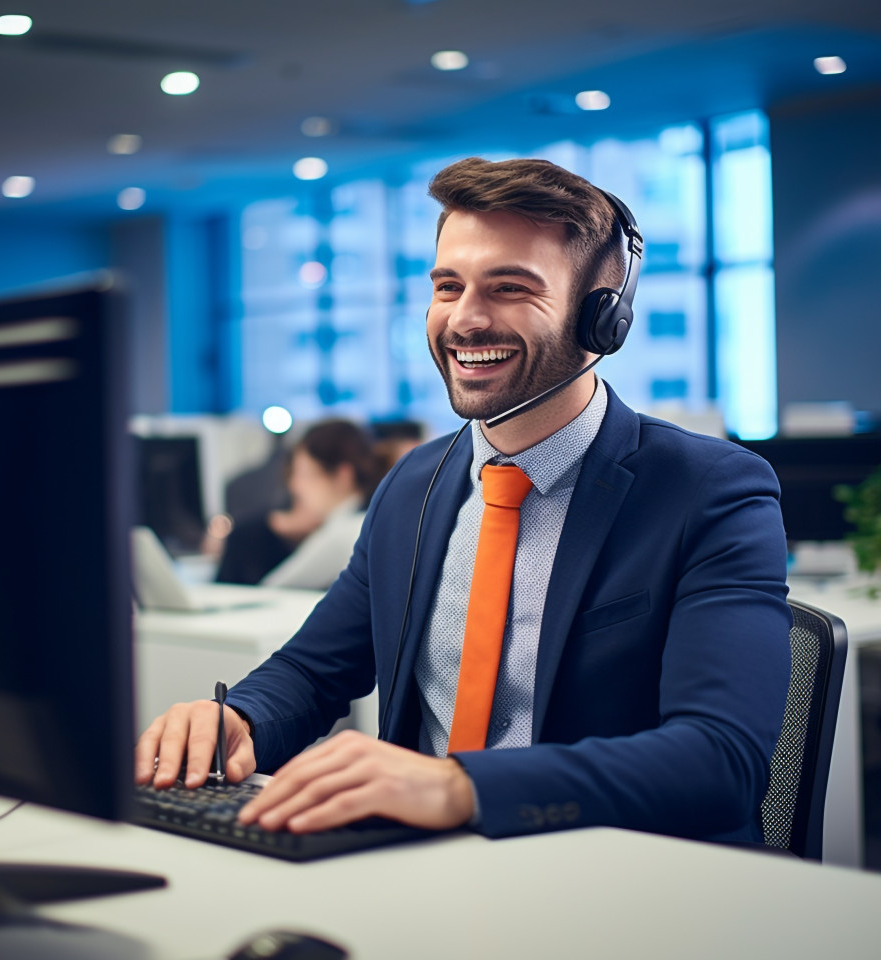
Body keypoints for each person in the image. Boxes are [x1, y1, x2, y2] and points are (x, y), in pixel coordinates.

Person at [136, 156, 791, 845]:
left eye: (510, 288)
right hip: (425, 869)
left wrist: (459, 786)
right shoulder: (415, 484)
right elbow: (313, 668)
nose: (465, 320)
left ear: (603, 318)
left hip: (618, 876)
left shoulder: (711, 490)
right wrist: (237, 719)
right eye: (448, 286)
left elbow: (721, 760)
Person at [216, 419, 380, 590]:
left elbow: (272, 589)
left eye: (305, 474)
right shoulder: (370, 519)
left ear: (343, 475)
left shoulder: (346, 530)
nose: (295, 486)